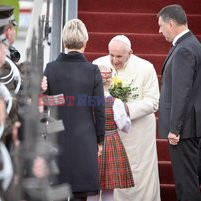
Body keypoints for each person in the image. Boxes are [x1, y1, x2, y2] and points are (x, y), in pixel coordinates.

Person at [43, 19, 105, 201]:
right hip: (85, 137)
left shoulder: (51, 68)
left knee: (57, 191)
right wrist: (100, 139)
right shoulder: (92, 70)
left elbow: (45, 104)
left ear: (64, 42)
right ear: (85, 41)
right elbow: (99, 108)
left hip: (57, 136)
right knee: (80, 194)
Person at [93, 35, 160, 201]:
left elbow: (153, 101)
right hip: (109, 133)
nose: (114, 60)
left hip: (139, 133)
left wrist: (126, 107)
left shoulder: (146, 67)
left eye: (119, 56)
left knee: (140, 174)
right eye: (111, 55)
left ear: (130, 53)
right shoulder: (97, 65)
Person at [157, 4, 201, 201]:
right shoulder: (193, 44)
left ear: (171, 24)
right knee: (190, 179)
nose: (160, 31)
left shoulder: (184, 49)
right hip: (192, 125)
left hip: (184, 129)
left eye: (161, 26)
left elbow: (181, 92)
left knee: (186, 184)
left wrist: (175, 129)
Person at [87, 66, 134, 201]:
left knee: (92, 190)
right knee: (108, 191)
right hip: (111, 142)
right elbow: (123, 126)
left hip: (91, 143)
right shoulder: (116, 102)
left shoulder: (87, 100)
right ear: (110, 82)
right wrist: (127, 119)